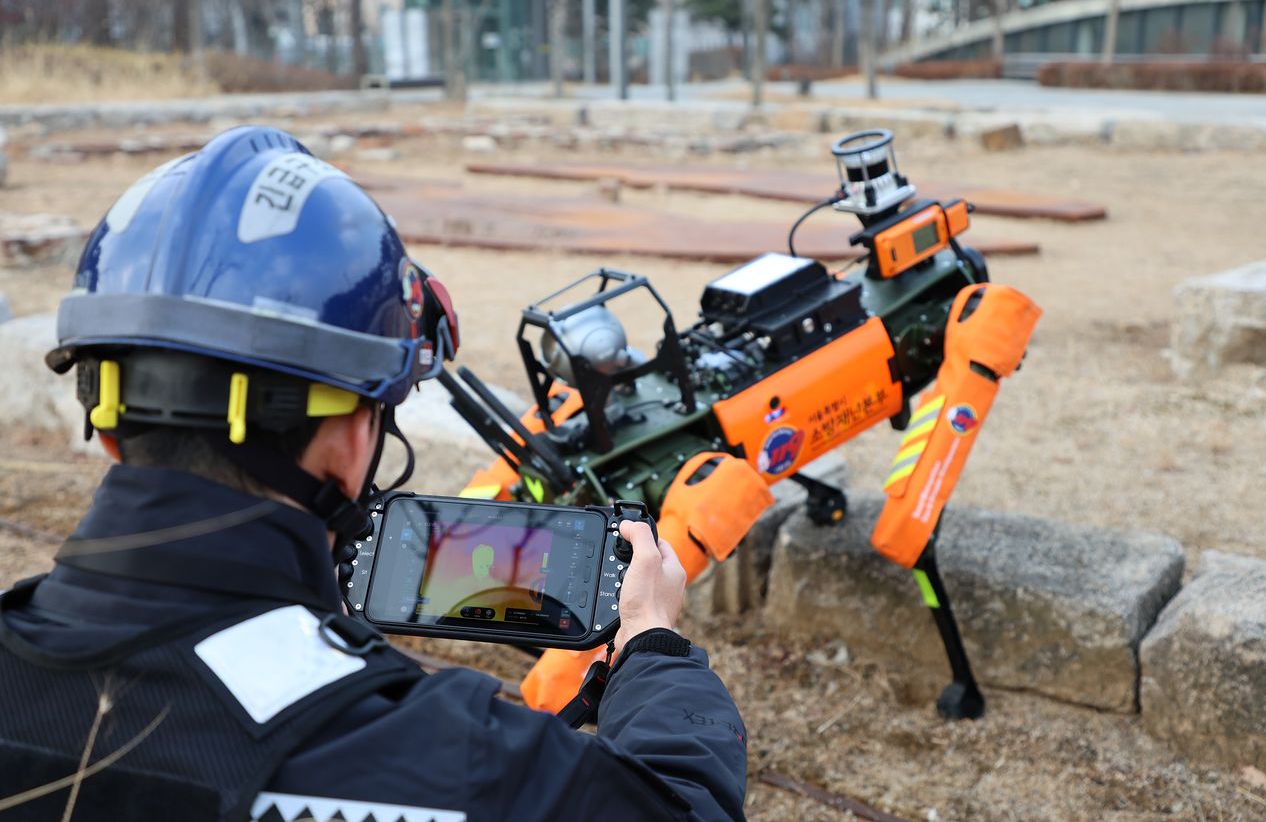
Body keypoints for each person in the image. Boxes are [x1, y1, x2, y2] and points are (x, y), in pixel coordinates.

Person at [0, 127, 748, 821]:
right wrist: (651, 647)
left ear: (103, 422)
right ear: (353, 435)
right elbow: (685, 805)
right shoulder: (452, 758)